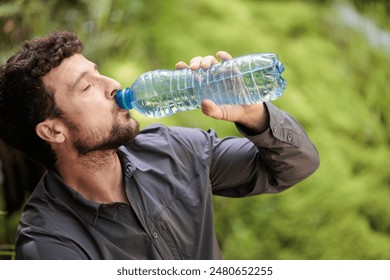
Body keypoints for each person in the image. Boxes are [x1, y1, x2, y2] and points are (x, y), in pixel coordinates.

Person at [0, 31, 319, 260]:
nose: (112, 84)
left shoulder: (173, 149)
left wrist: (253, 113)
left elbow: (296, 165)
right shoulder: (50, 247)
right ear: (53, 131)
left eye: (98, 72)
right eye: (87, 86)